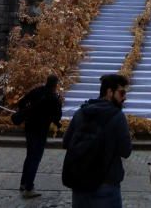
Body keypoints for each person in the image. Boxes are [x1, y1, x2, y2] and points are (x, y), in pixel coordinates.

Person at [63, 73, 132, 207]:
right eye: (122, 93)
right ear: (109, 92)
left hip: (80, 182)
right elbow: (126, 151)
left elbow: (66, 142)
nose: (124, 97)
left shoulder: (81, 112)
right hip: (106, 183)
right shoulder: (118, 116)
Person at [19, 74, 62, 199]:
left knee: (29, 156)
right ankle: (29, 188)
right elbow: (57, 117)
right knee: (35, 158)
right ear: (56, 84)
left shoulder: (37, 91)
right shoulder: (53, 98)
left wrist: (28, 113)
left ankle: (23, 183)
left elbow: (21, 103)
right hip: (41, 130)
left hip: (29, 127)